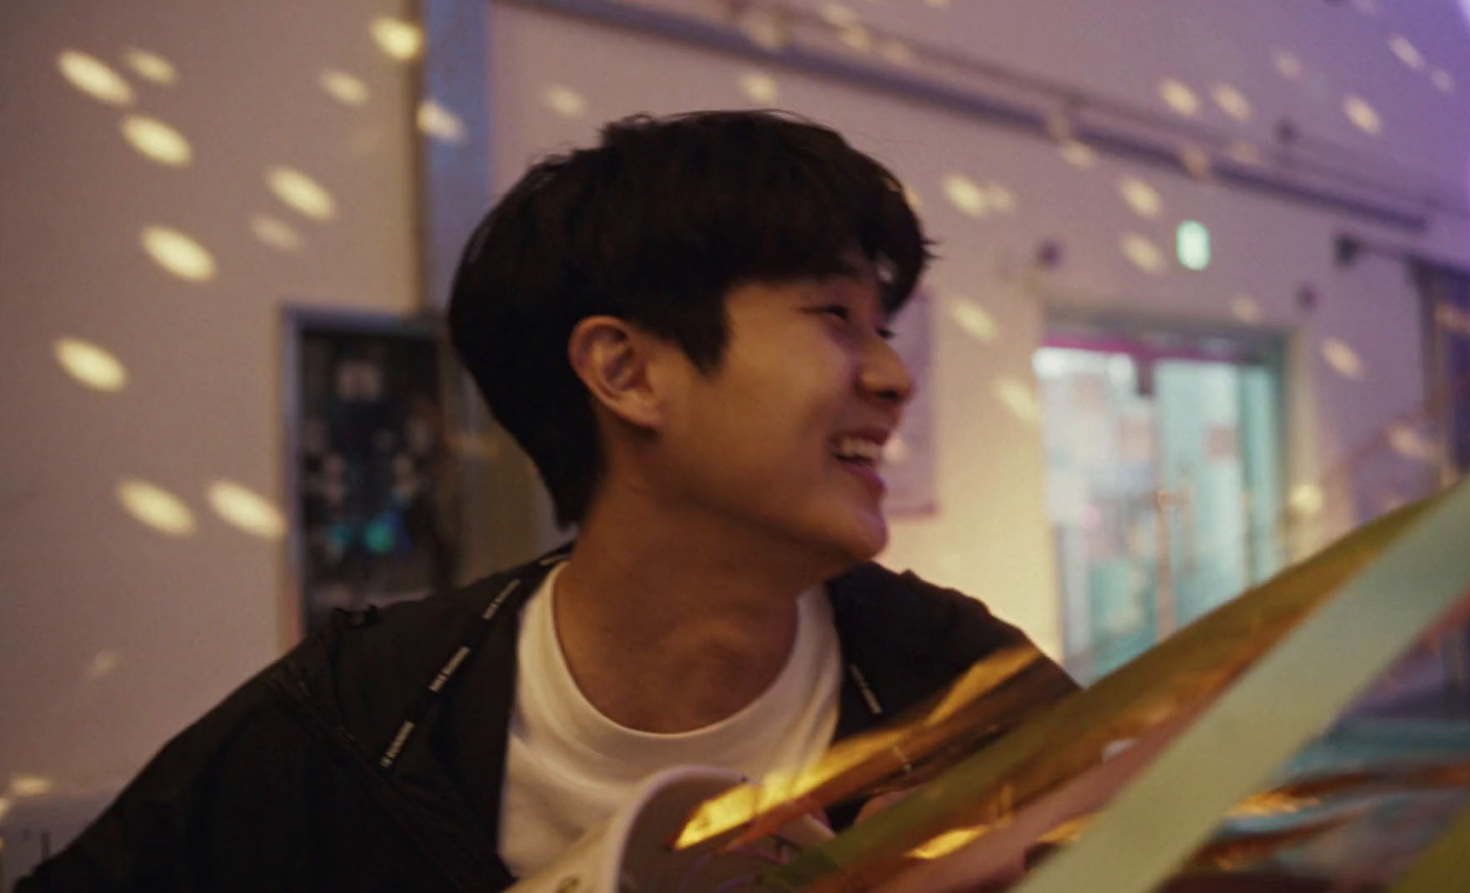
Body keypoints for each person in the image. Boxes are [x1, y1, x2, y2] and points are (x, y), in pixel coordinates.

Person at [19, 110, 1072, 892]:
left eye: (885, 327)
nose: (894, 377)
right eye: (836, 315)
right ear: (625, 370)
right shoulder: (358, 721)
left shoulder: (970, 702)